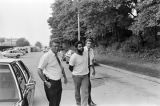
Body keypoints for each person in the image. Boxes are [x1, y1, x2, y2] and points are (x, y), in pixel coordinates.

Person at [37, 39, 67, 106]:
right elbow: (39, 70)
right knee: (53, 103)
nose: (57, 48)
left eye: (58, 46)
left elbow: (61, 67)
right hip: (51, 83)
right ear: (51, 46)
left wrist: (65, 77)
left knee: (57, 103)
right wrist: (46, 82)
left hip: (58, 82)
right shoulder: (46, 56)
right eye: (55, 46)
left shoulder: (59, 55)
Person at [69, 41, 89, 106]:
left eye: (82, 46)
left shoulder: (85, 53)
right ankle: (78, 104)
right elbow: (70, 68)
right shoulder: (74, 56)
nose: (81, 48)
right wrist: (76, 72)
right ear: (76, 48)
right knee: (77, 91)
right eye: (79, 46)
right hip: (77, 76)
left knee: (85, 92)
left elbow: (88, 47)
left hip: (85, 76)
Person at [84, 38, 96, 106]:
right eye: (88, 43)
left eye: (90, 43)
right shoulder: (83, 50)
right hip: (83, 69)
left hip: (88, 69)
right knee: (88, 85)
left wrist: (93, 70)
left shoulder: (91, 50)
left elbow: (92, 61)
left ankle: (89, 101)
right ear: (86, 44)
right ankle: (89, 102)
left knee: (88, 86)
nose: (89, 44)